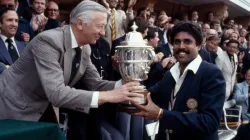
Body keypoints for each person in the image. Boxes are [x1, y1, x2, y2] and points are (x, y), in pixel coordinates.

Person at [0, 0, 143, 123]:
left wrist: (122, 84)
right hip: (13, 107)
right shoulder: (48, 41)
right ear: (80, 23)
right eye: (99, 26)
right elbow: (57, 93)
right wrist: (108, 96)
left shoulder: (85, 48)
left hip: (42, 106)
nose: (103, 33)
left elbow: (95, 83)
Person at [130, 21, 226, 140]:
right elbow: (151, 94)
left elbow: (209, 122)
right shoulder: (171, 72)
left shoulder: (212, 73)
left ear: (199, 45)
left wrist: (161, 114)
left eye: (187, 41)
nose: (181, 46)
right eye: (177, 42)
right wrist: (129, 93)